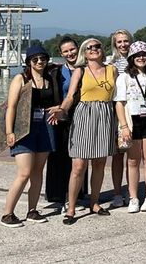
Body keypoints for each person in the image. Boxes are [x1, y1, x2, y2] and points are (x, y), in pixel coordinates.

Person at [51, 38, 118, 225]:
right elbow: (71, 96)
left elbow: (118, 97)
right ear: (84, 52)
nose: (94, 49)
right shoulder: (80, 71)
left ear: (102, 50)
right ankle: (71, 208)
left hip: (105, 115)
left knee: (99, 164)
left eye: (97, 46)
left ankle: (94, 203)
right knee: (79, 166)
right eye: (89, 48)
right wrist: (62, 109)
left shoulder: (112, 70)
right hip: (84, 115)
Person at [1, 44, 60, 227]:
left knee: (37, 172)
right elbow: (11, 106)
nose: (40, 62)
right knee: (24, 173)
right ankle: (7, 214)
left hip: (45, 128)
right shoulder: (21, 78)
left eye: (43, 58)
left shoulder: (50, 79)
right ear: (28, 62)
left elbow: (55, 102)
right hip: (24, 128)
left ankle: (32, 210)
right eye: (35, 59)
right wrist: (9, 132)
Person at [114, 41, 146, 213]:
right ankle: (133, 197)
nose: (141, 58)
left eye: (144, 55)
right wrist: (124, 126)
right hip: (132, 120)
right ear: (131, 58)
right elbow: (119, 103)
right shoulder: (124, 77)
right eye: (137, 55)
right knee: (133, 160)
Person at [45, 36, 87, 212]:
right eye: (66, 51)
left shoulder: (88, 68)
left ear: (78, 48)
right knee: (59, 158)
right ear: (61, 54)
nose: (70, 53)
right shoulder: (56, 71)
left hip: (83, 118)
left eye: (72, 49)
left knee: (80, 159)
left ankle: (77, 196)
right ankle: (60, 197)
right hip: (61, 119)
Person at [107, 29, 133, 208]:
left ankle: (132, 192)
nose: (123, 44)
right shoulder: (110, 62)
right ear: (115, 44)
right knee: (118, 156)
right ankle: (117, 192)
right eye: (119, 42)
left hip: (136, 111)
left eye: (126, 41)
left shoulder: (139, 58)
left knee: (133, 156)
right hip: (117, 110)